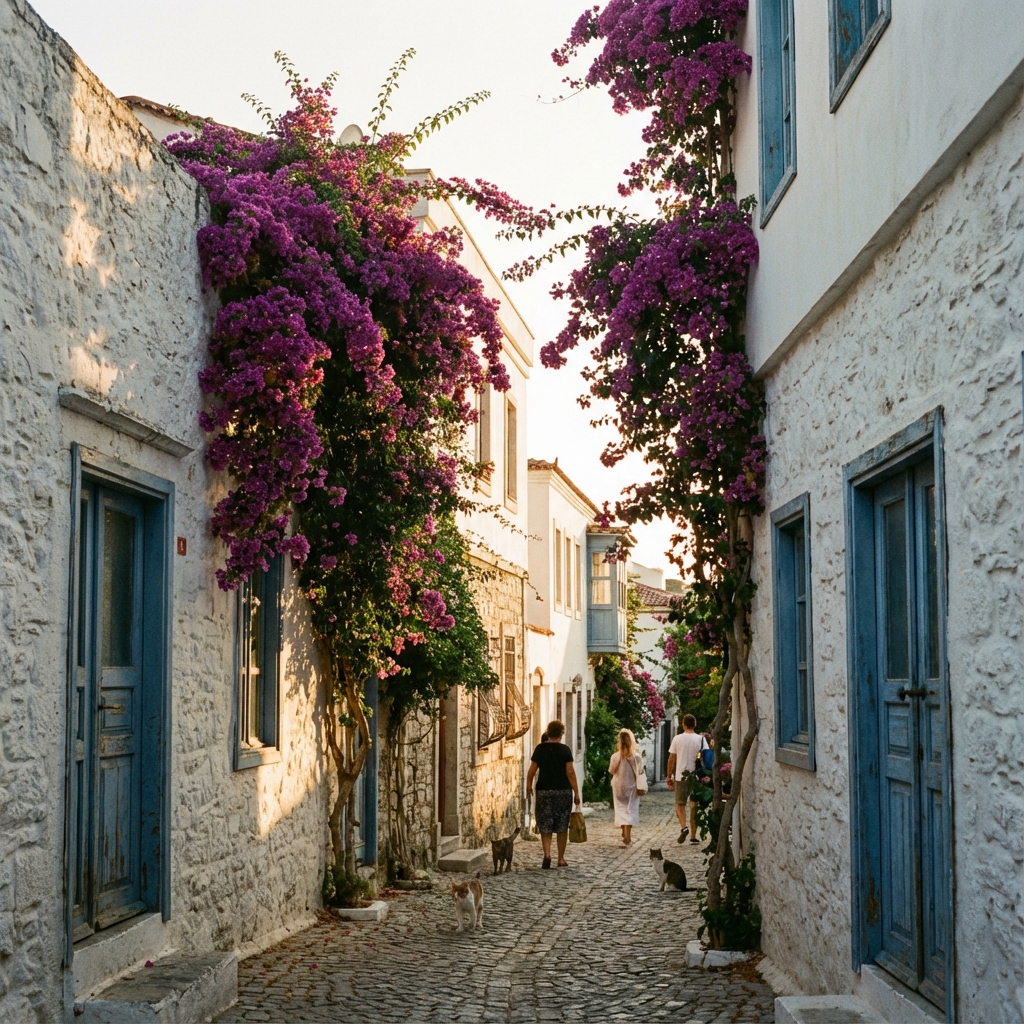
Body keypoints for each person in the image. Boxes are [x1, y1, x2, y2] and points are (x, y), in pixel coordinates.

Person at [526, 720, 580, 868]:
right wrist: (576, 792)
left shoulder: (540, 749)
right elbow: (570, 772)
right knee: (562, 825)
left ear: (548, 732)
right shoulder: (565, 750)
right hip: (563, 791)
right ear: (561, 734)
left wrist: (528, 786)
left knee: (545, 824)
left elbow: (531, 770)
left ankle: (547, 854)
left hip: (544, 791)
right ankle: (561, 858)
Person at [666, 714, 705, 844]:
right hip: (696, 777)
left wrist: (668, 776)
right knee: (694, 806)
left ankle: (684, 827)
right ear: (695, 724)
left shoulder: (677, 739)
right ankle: (693, 836)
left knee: (679, 803)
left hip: (680, 776)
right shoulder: (701, 739)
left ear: (683, 724)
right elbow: (706, 758)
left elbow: (672, 759)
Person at [608, 728, 642, 846]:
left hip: (618, 786)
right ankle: (628, 834)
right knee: (631, 809)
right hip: (632, 786)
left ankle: (624, 831)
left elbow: (612, 771)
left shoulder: (615, 756)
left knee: (621, 809)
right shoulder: (636, 757)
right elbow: (640, 772)